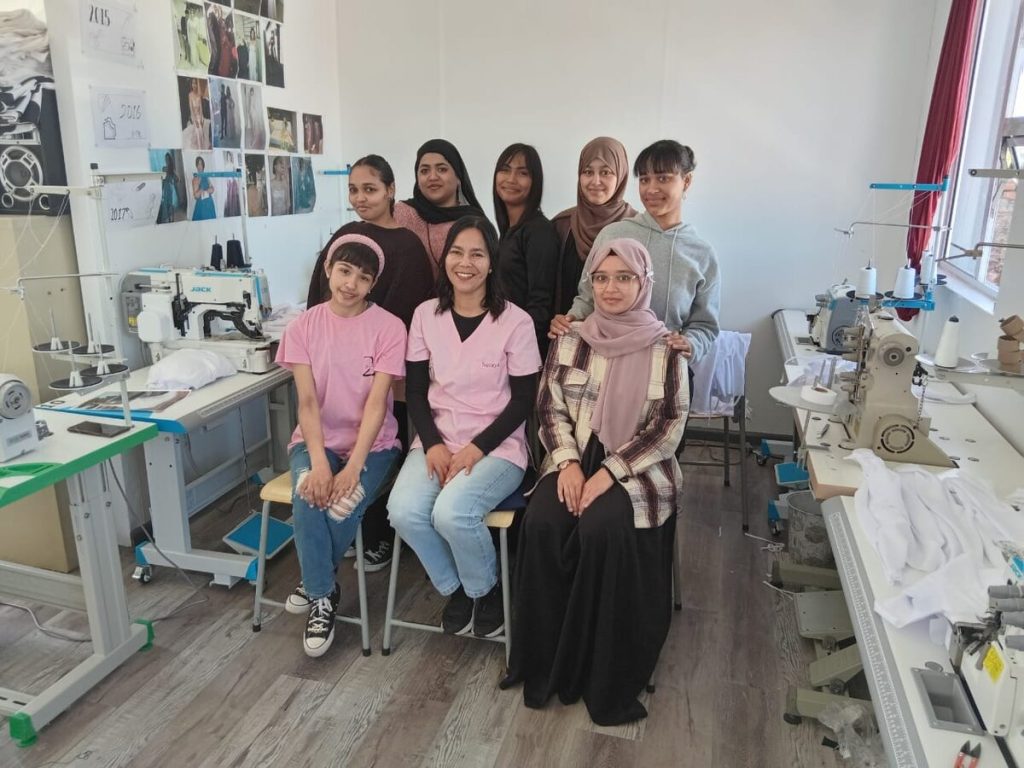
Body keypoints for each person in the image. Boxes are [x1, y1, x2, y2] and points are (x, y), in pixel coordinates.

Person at [504, 238, 688, 726]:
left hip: (638, 468)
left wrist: (608, 472)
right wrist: (565, 462)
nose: (610, 289)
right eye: (601, 278)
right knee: (542, 522)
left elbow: (669, 424)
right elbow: (548, 406)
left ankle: (599, 669)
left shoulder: (666, 347)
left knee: (600, 529)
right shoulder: (571, 337)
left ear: (643, 284)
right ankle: (544, 662)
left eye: (624, 278)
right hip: (574, 455)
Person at [387, 216, 541, 639]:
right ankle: (460, 587)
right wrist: (433, 445)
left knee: (452, 513)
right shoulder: (425, 316)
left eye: (477, 253)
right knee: (403, 511)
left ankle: (485, 590)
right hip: (437, 438)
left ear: (492, 263)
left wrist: (477, 447)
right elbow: (416, 392)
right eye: (457, 252)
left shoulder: (515, 322)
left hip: (498, 447)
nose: (465, 262)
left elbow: (524, 401)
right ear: (444, 258)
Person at [275, 235, 406, 657]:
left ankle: (314, 582)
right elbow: (307, 402)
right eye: (345, 271)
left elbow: (375, 407)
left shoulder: (389, 327)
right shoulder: (303, 327)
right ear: (329, 268)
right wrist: (319, 462)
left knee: (341, 502)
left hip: (375, 445)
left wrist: (352, 468)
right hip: (315, 440)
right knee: (309, 492)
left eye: (363, 277)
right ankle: (324, 594)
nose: (351, 283)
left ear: (373, 284)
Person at [305, 154, 436, 572]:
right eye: (354, 190)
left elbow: (411, 313)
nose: (361, 198)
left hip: (384, 371)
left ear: (392, 190)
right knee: (333, 454)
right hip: (334, 372)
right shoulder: (345, 235)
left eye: (371, 189)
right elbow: (320, 298)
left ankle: (376, 537)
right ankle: (336, 540)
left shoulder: (410, 246)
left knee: (378, 452)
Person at [550, 140, 720, 366]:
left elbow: (705, 325)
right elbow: (588, 297)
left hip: (664, 368)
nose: (651, 189)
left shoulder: (701, 254)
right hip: (604, 363)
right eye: (644, 179)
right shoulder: (613, 234)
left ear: (686, 181)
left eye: (663, 178)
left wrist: (692, 343)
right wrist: (570, 319)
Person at [550, 137, 636, 317]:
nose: (595, 181)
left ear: (621, 175)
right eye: (588, 172)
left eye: (605, 172)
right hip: (567, 334)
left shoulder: (636, 227)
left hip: (620, 339)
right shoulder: (562, 225)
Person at [492, 143, 559, 352]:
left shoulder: (539, 231)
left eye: (522, 173)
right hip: (501, 341)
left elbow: (540, 304)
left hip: (522, 350)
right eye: (505, 170)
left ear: (534, 182)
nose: (511, 179)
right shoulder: (507, 230)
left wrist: (518, 350)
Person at [393, 139, 484, 275]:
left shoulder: (474, 223)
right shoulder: (399, 214)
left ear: (458, 177)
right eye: (424, 171)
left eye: (442, 169)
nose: (433, 177)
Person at [191, 155, 216, 220]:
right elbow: (196, 196)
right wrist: (201, 190)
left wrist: (209, 190)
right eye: (198, 164)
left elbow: (212, 189)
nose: (199, 166)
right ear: (196, 166)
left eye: (201, 164)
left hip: (209, 205)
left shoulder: (206, 176)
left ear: (203, 166)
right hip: (201, 207)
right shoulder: (195, 178)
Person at [157, 152, 178, 224]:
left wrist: (173, 182)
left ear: (169, 160)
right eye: (165, 159)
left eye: (168, 159)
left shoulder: (172, 169)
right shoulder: (164, 168)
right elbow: (162, 179)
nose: (166, 160)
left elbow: (177, 179)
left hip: (170, 188)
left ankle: (172, 219)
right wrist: (161, 189)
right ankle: (169, 219)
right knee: (166, 204)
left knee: (170, 204)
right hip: (165, 187)